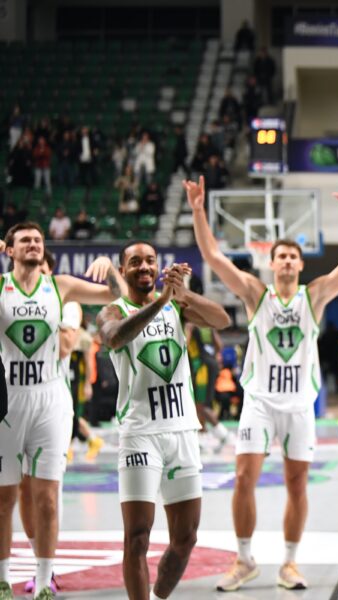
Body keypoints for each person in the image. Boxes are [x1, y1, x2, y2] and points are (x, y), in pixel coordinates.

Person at [184, 175, 338, 591]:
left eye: (292, 257)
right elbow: (213, 256)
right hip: (260, 402)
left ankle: (289, 563)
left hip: (299, 404)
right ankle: (244, 558)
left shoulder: (314, 296)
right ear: (271, 263)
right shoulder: (255, 294)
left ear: (300, 265)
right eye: (280, 256)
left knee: (296, 483)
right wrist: (197, 211)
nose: (286, 261)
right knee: (243, 477)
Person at [96, 246, 230, 600]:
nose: (144, 266)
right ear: (123, 270)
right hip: (140, 434)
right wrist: (162, 301)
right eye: (135, 262)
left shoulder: (176, 306)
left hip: (182, 430)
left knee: (186, 538)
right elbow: (114, 336)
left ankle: (158, 597)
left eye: (150, 261)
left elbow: (222, 320)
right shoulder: (113, 310)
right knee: (137, 537)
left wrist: (183, 295)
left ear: (157, 267)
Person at [0, 223, 125, 600]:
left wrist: (111, 267)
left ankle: (43, 581)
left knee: (48, 497)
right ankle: (3, 580)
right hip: (7, 401)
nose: (34, 244)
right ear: (10, 250)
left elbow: (118, 295)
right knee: (4, 499)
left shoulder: (61, 286)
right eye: (25, 240)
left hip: (51, 401)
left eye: (38, 240)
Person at [186, 322, 230, 453]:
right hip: (211, 363)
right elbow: (219, 345)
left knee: (199, 405)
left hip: (200, 366)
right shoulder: (207, 324)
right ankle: (201, 438)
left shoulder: (190, 325)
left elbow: (184, 344)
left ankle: (224, 435)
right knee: (201, 404)